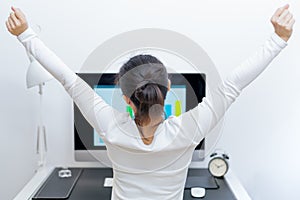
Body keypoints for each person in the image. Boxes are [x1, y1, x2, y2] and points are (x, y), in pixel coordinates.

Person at [6, 5, 295, 200]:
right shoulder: (190, 128)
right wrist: (278, 40)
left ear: (124, 97)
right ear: (168, 87)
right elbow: (234, 84)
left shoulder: (108, 124)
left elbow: (67, 79)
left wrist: (25, 35)